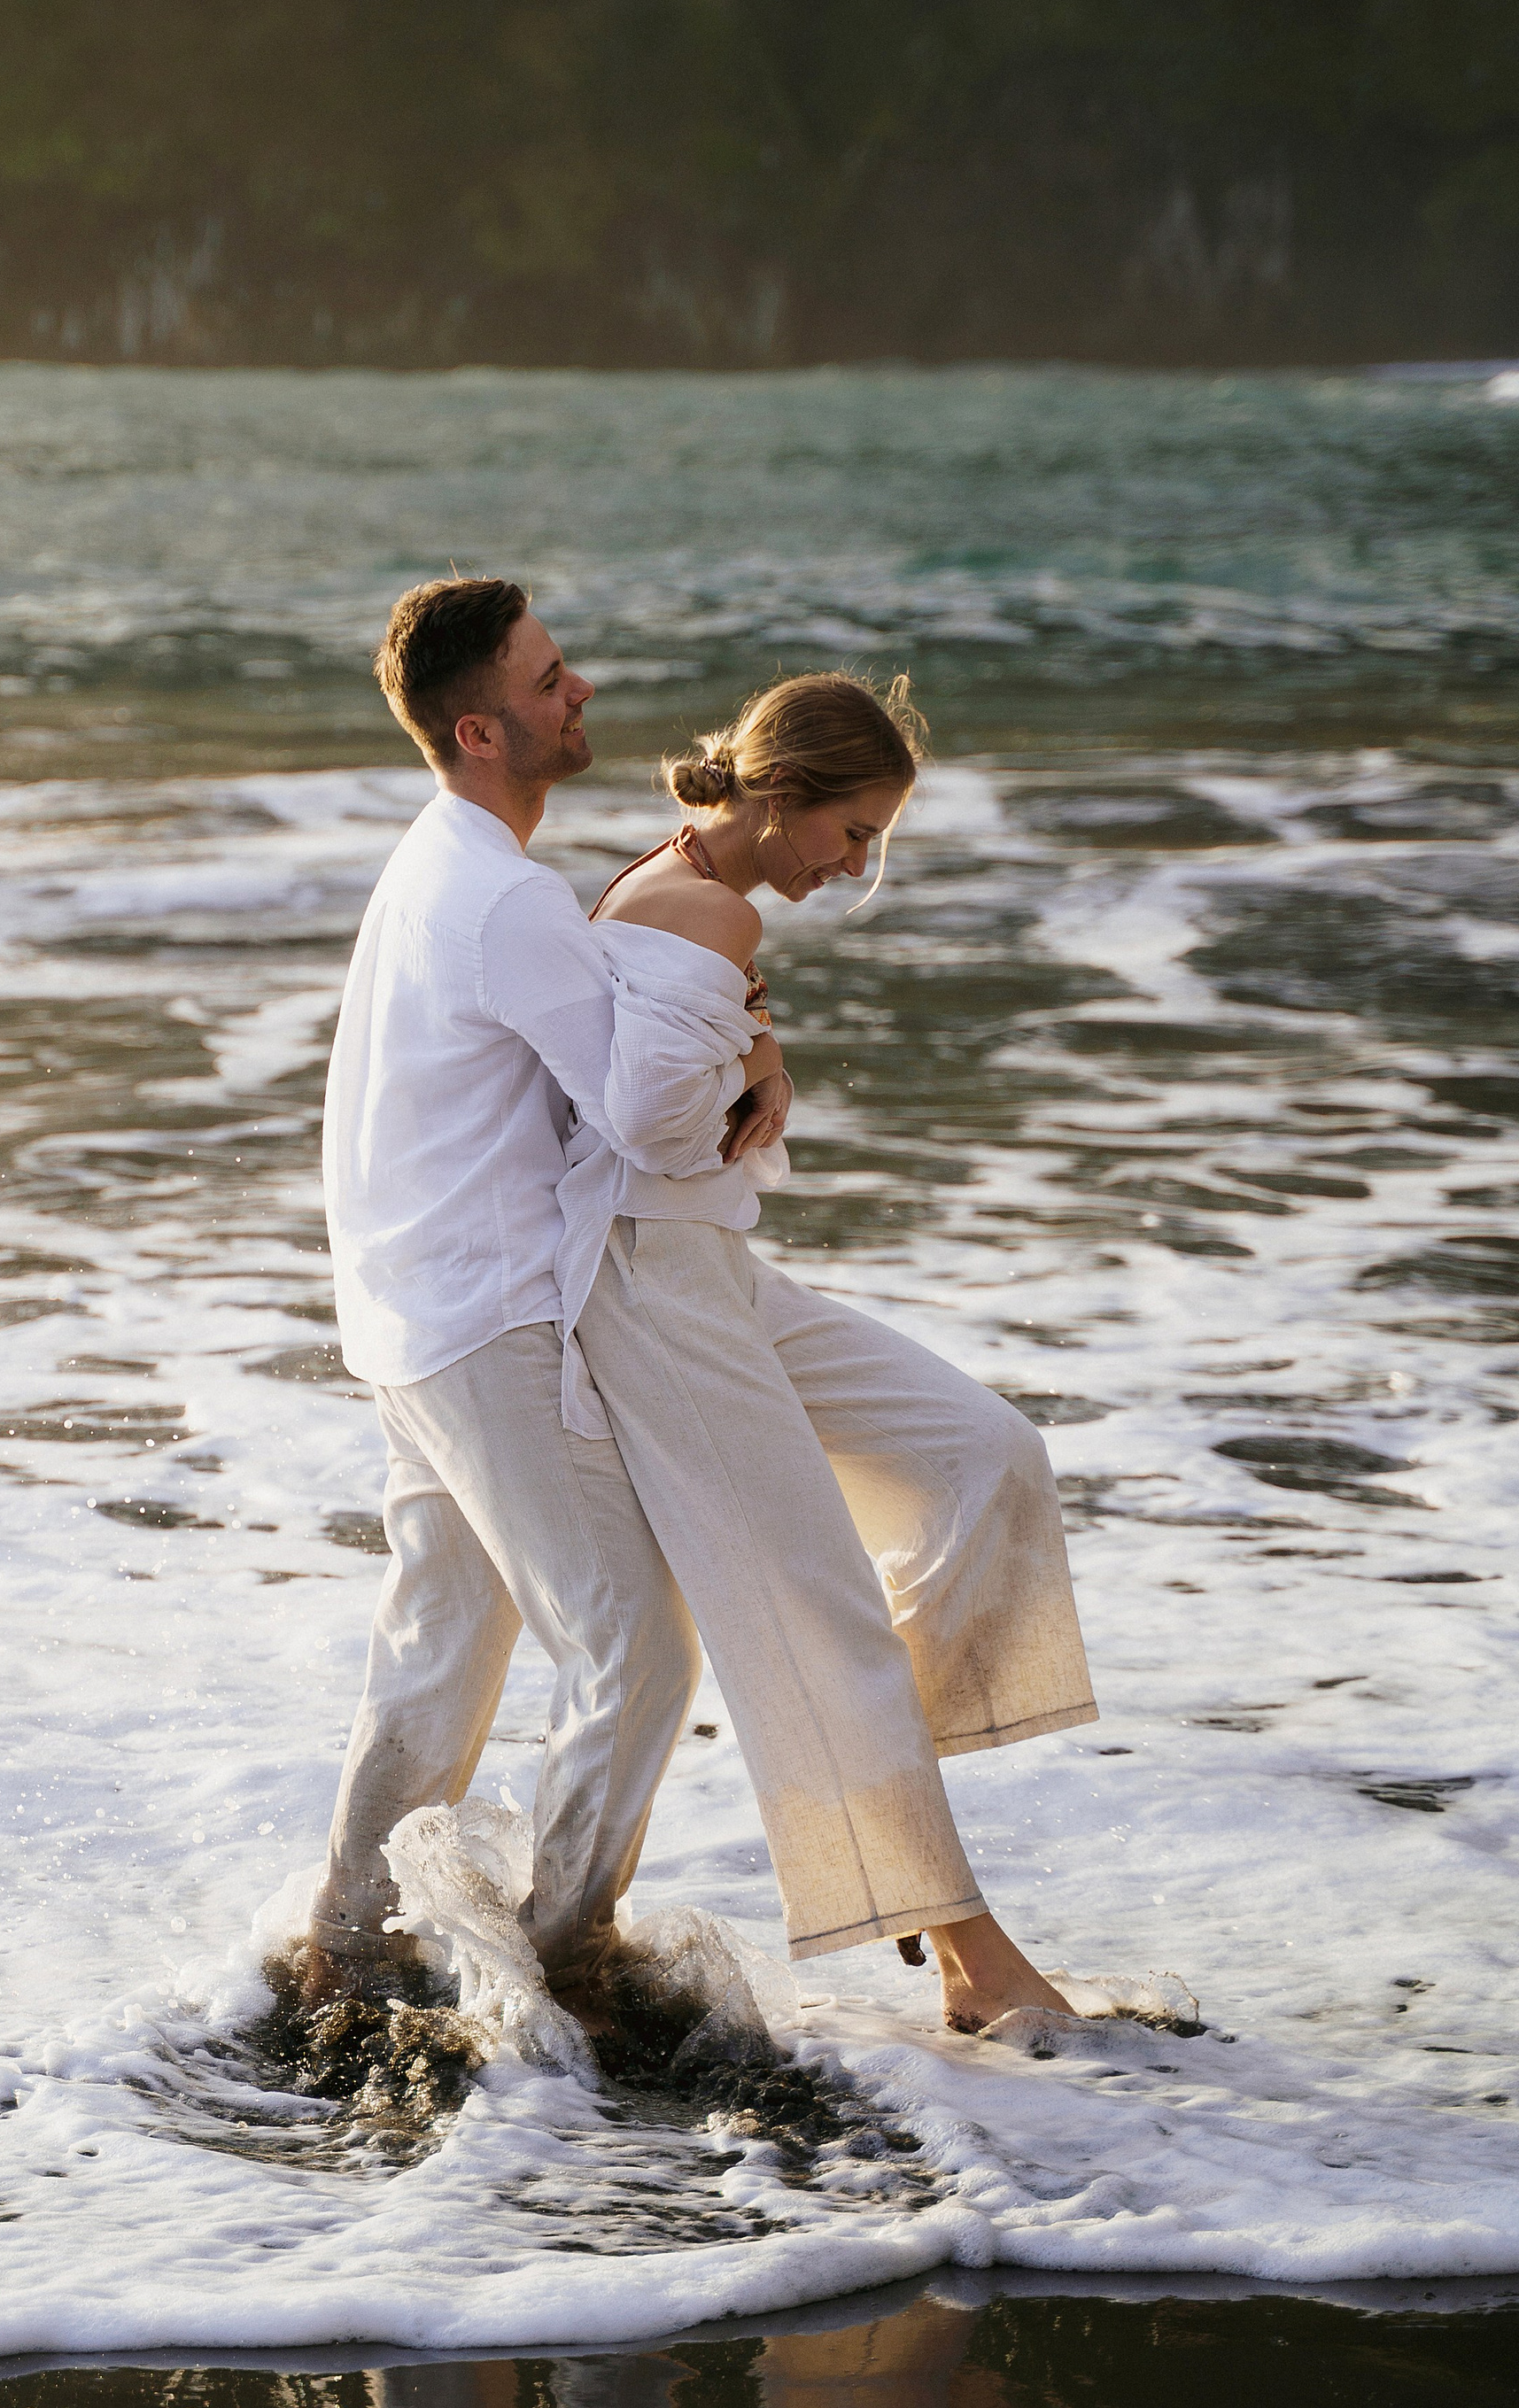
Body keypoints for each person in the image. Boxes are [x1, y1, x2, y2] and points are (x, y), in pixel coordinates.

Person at [565, 671, 1097, 2025]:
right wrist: (751, 1062)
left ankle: (871, 1760)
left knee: (985, 1454)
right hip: (648, 1291)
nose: (860, 864)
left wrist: (760, 1054)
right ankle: (975, 1962)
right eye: (853, 832)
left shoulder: (685, 885)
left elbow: (686, 1089)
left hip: (713, 1266)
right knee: (829, 1620)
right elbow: (643, 1128)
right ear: (783, 798)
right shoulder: (704, 905)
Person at [306, 575, 759, 2024]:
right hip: (481, 1321)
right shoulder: (505, 896)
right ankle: (561, 1960)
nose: (582, 694)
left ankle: (345, 1944)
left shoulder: (437, 858)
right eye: (551, 679)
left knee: (442, 1651)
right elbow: (640, 1120)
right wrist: (754, 1059)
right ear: (480, 728)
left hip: (401, 1311)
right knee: (637, 1646)